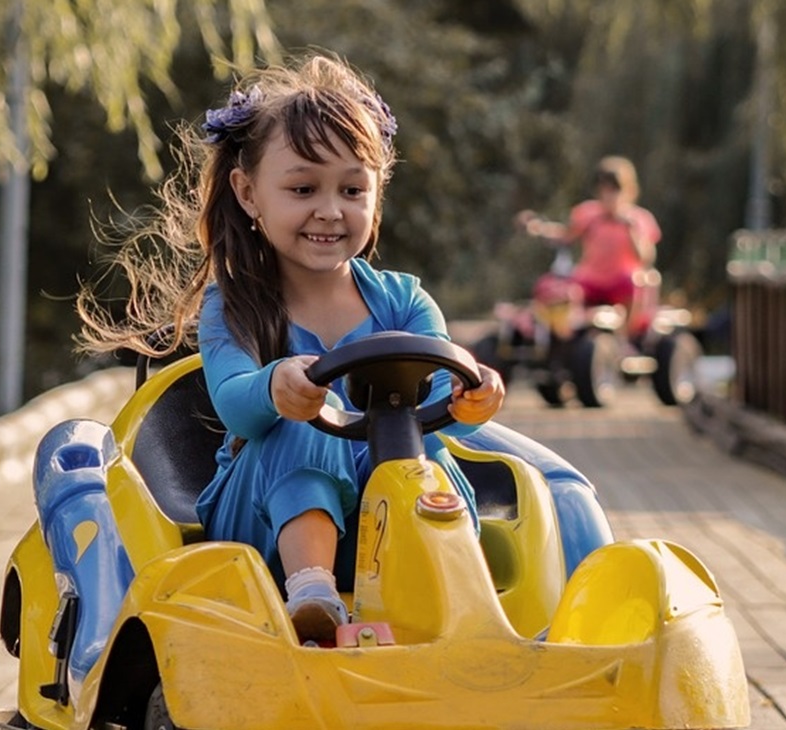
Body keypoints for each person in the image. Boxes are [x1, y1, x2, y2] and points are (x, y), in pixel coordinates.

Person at [76, 53, 505, 643]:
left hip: (389, 517)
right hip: (262, 525)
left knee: (431, 462)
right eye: (304, 188)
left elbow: (439, 402)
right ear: (249, 193)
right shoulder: (235, 306)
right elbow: (233, 403)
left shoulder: (405, 303)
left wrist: (470, 396)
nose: (330, 210)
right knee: (305, 422)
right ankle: (313, 595)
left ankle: (463, 616)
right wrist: (275, 387)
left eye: (353, 189)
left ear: (376, 194)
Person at [517, 156, 662, 314]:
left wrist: (631, 231)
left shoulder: (639, 219)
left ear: (629, 190)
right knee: (554, 288)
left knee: (639, 282)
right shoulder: (588, 213)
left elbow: (646, 259)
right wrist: (538, 228)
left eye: (614, 190)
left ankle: (626, 337)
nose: (609, 196)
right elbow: (566, 235)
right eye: (604, 190)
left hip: (622, 282)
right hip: (590, 279)